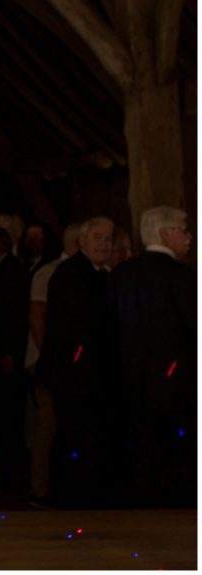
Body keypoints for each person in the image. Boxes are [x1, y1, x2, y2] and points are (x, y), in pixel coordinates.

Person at [109, 207, 195, 507]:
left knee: (144, 457)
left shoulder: (120, 275)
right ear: (165, 233)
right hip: (178, 384)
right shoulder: (182, 277)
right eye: (183, 230)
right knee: (183, 456)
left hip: (130, 381)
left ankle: (145, 518)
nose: (189, 237)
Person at [40, 217, 114, 507]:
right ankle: (73, 498)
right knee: (75, 436)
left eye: (108, 239)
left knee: (87, 436)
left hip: (89, 373)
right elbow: (93, 320)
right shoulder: (71, 274)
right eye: (98, 237)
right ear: (81, 242)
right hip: (74, 372)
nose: (104, 244)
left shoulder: (100, 274)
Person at [26, 222, 80, 506]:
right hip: (50, 361)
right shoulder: (49, 273)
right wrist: (50, 358)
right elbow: (37, 319)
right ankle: (40, 486)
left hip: (67, 361)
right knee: (48, 421)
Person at [0, 225, 30, 482]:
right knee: (5, 411)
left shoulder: (9, 272)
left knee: (7, 411)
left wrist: (9, 352)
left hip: (7, 351)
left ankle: (12, 468)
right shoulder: (7, 269)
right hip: (5, 350)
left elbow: (13, 315)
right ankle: (9, 465)